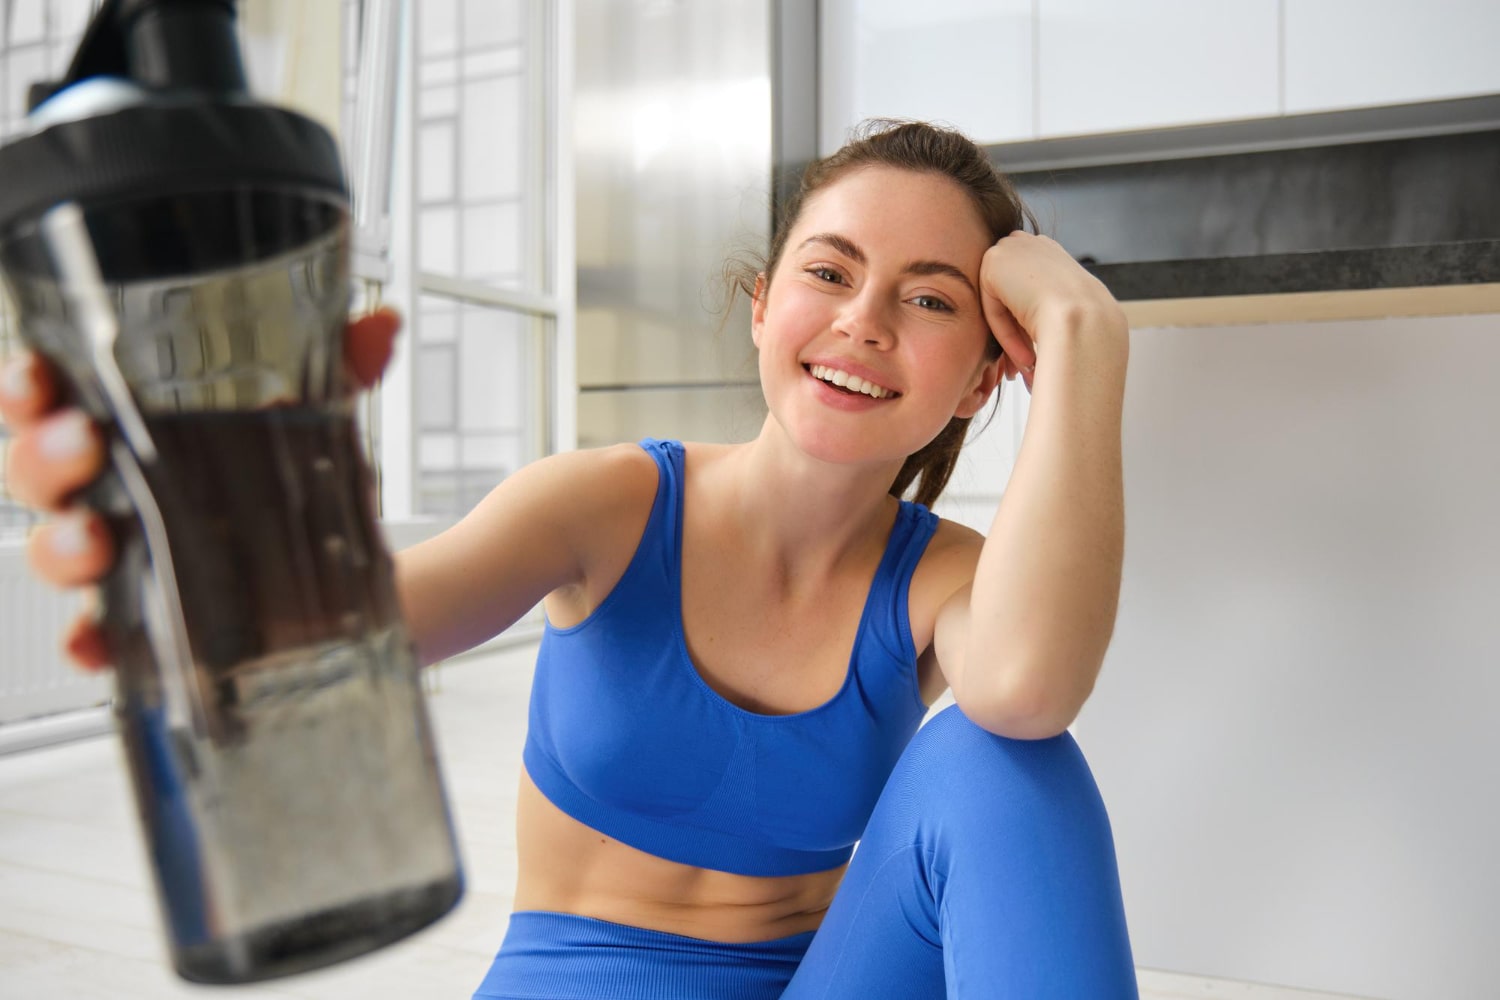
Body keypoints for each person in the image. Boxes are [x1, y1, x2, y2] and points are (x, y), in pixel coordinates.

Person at [0, 120, 1136, 998]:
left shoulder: (940, 579)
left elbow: (1029, 687)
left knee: (1006, 763)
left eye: (929, 298)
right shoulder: (611, 503)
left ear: (982, 377)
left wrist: (1084, 339)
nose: (865, 321)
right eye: (830, 272)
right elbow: (355, 630)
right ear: (762, 305)